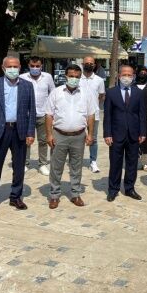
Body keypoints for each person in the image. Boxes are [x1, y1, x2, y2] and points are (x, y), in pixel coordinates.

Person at [0, 56, 36, 216]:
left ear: (20, 68)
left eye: (15, 66)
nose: (13, 69)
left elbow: (32, 111)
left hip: (19, 130)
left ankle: (16, 196)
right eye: (9, 66)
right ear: (3, 68)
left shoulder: (27, 86)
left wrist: (30, 133)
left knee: (19, 167)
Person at [45, 64, 97, 209]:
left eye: (77, 77)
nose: (74, 79)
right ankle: (54, 195)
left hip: (79, 136)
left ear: (80, 77)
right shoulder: (56, 92)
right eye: (71, 76)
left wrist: (90, 134)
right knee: (56, 167)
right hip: (59, 135)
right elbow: (48, 115)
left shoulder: (86, 93)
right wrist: (49, 135)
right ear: (66, 76)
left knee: (76, 166)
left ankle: (75, 194)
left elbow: (91, 115)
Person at [103, 65, 147, 202]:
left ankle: (129, 188)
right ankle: (113, 190)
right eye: (124, 74)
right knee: (115, 163)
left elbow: (142, 114)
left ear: (133, 76)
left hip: (134, 134)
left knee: (132, 163)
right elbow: (107, 115)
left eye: (129, 75)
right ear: (118, 75)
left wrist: (143, 132)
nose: (126, 77)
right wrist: (107, 134)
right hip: (116, 134)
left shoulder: (139, 93)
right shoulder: (111, 92)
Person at [20, 56, 55, 175]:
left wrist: (53, 112)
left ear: (41, 66)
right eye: (32, 66)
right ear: (28, 66)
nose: (35, 68)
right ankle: (25, 163)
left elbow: (53, 94)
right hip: (26, 115)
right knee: (26, 140)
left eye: (37, 66)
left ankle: (42, 164)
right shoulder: (22, 77)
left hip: (43, 114)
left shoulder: (48, 77)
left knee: (43, 140)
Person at [80, 56, 106, 173]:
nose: (89, 65)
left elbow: (101, 96)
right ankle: (77, 160)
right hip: (79, 114)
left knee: (93, 139)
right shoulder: (77, 79)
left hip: (94, 114)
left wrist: (93, 105)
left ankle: (93, 161)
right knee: (78, 138)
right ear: (82, 64)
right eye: (86, 63)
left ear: (94, 65)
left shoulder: (99, 80)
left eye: (91, 63)